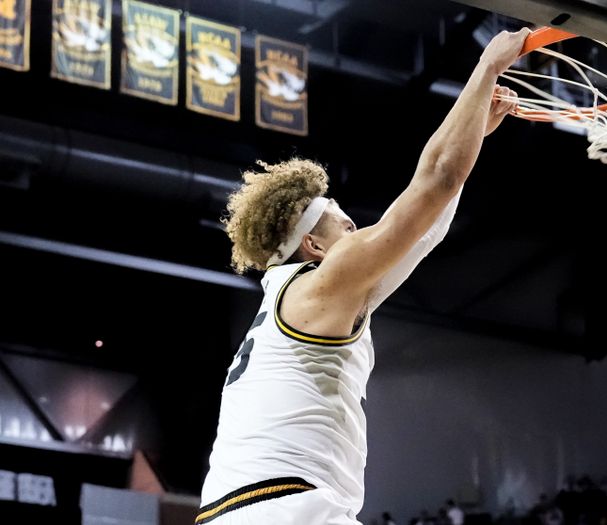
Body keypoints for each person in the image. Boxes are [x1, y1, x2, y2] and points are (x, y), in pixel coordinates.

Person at [195, 27, 529, 525]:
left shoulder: (303, 300)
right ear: (312, 244)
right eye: (345, 222)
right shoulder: (319, 285)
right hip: (278, 506)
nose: (358, 230)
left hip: (252, 507)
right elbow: (436, 177)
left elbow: (423, 231)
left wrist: (474, 128)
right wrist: (486, 68)